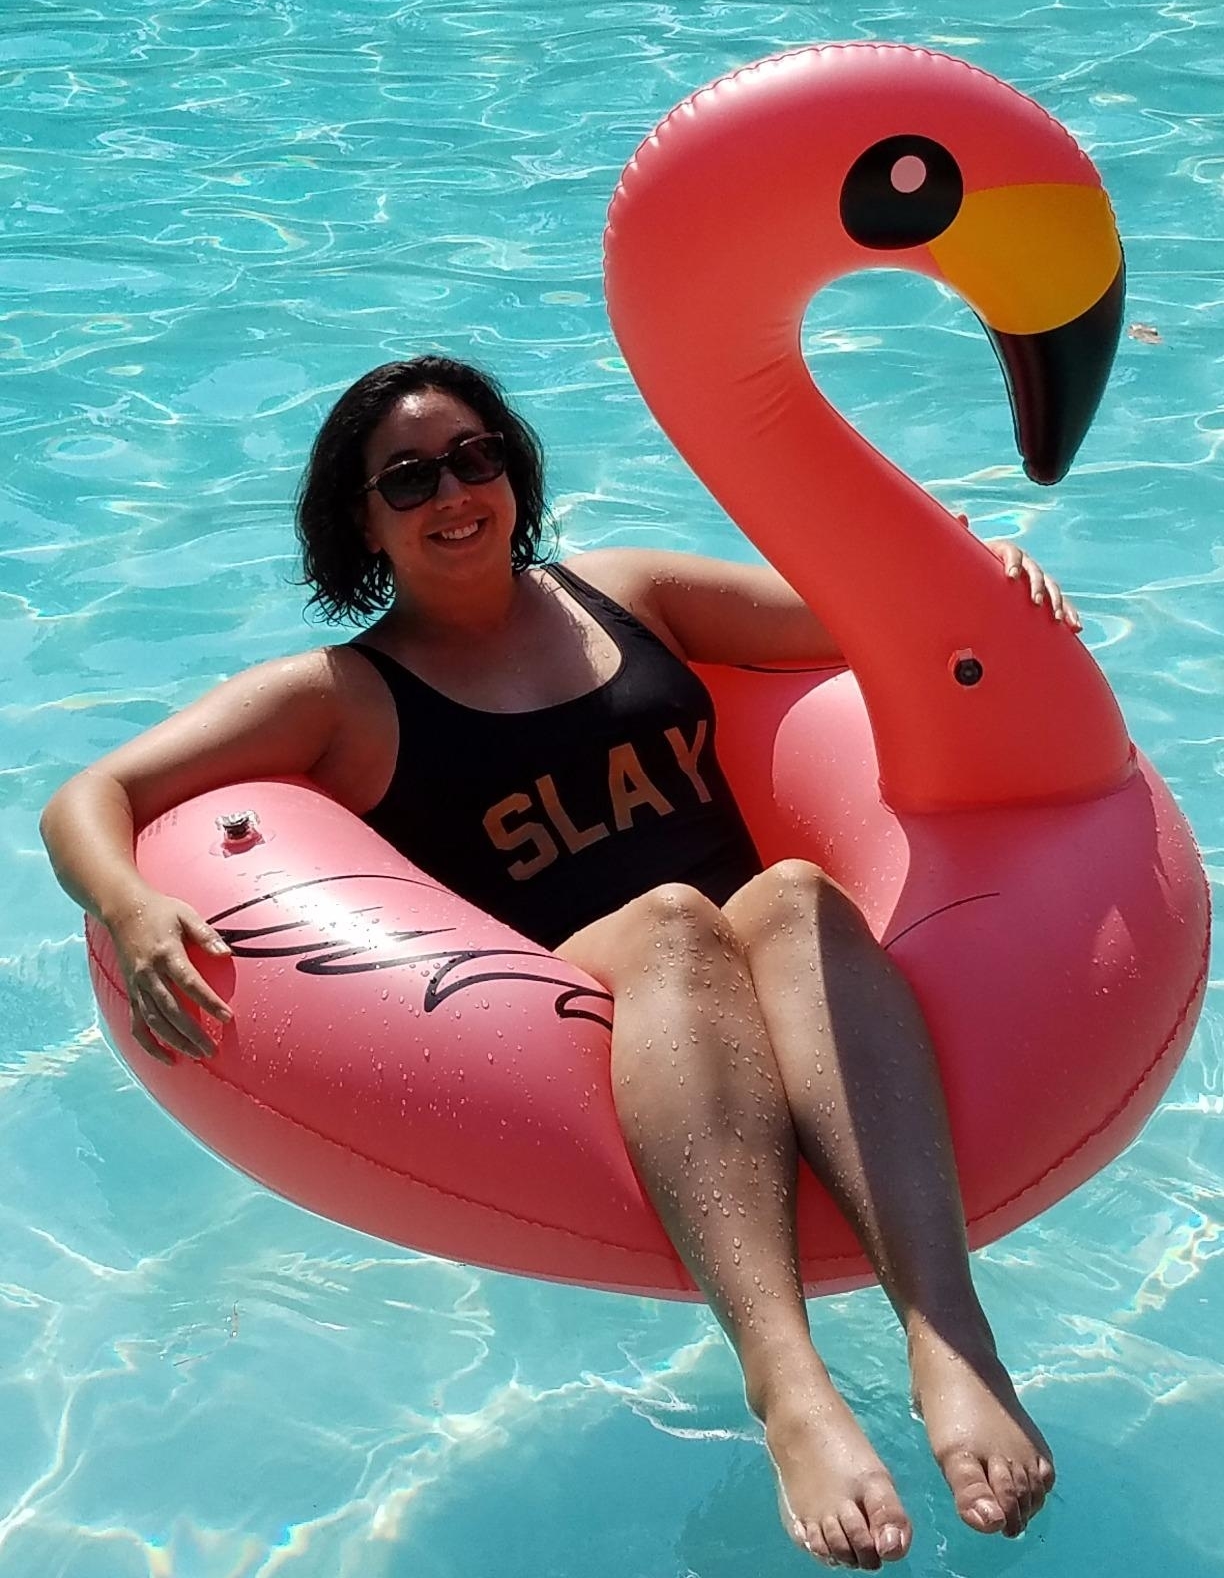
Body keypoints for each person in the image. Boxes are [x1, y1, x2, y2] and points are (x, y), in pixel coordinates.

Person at [42, 355, 1078, 1570]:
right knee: (678, 920)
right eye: (409, 478)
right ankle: (788, 1388)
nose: (453, 493)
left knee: (792, 892)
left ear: (515, 471)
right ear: (362, 520)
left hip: (785, 968)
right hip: (591, 991)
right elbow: (89, 794)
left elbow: (874, 613)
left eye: (476, 457)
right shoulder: (344, 696)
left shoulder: (628, 591)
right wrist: (129, 903)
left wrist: (987, 571)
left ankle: (953, 1342)